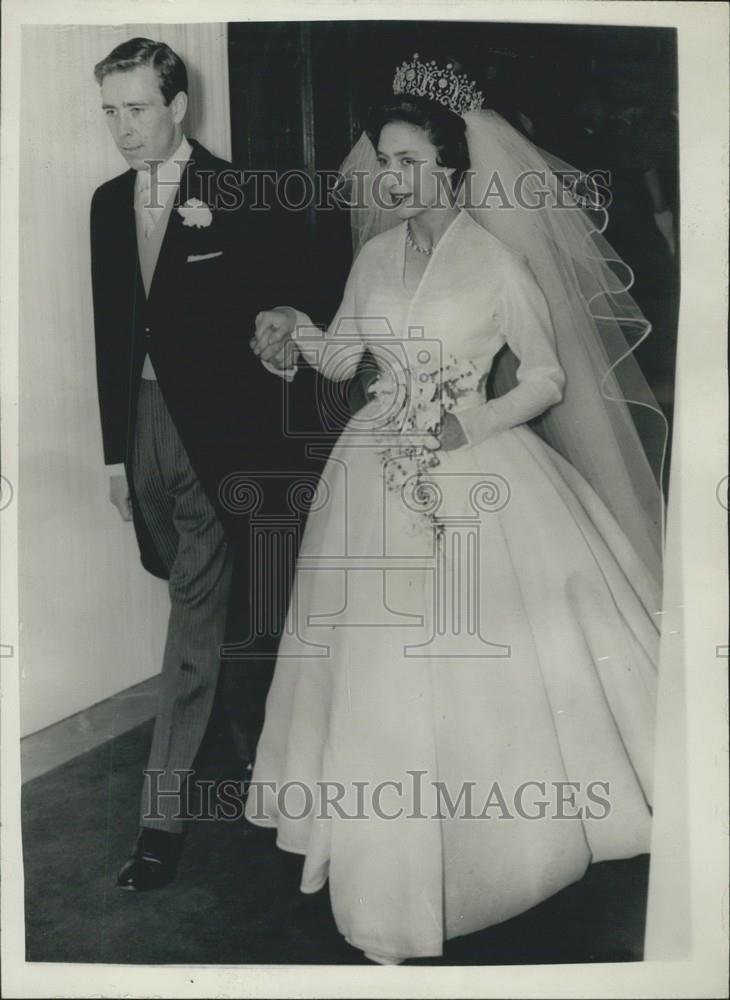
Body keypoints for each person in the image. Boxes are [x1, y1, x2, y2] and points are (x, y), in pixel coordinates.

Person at [247, 55, 665, 964]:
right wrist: (290, 332)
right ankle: (382, 856)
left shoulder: (498, 261)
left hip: (475, 471)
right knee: (376, 662)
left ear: (450, 166)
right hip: (371, 473)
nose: (387, 178)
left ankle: (503, 845)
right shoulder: (374, 255)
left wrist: (464, 428)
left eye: (404, 161)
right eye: (383, 161)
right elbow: (342, 356)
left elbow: (548, 377)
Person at [90, 37, 306, 891]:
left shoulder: (237, 191)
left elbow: (290, 295)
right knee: (200, 603)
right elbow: (112, 334)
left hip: (212, 438)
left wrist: (285, 321)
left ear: (177, 106)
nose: (122, 128)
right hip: (140, 429)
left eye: (136, 108)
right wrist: (115, 456)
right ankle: (252, 744)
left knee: (192, 617)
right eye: (109, 111)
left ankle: (162, 819)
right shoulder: (108, 204)